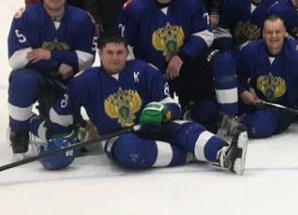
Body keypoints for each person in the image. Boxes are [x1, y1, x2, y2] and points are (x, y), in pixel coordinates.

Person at [49, 34, 247, 174]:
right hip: (117, 137)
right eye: (110, 52)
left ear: (126, 53)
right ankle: (191, 154)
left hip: (153, 126)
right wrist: (61, 137)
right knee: (130, 151)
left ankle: (225, 154)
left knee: (188, 129)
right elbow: (59, 115)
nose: (115, 58)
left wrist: (162, 111)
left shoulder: (145, 70)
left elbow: (172, 105)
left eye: (120, 52)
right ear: (100, 54)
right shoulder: (83, 81)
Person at [118, 0, 239, 132]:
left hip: (185, 68)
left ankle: (229, 119)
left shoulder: (192, 2)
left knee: (224, 61)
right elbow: (124, 49)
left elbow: (205, 34)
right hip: (151, 74)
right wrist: (145, 73)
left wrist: (181, 56)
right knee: (160, 121)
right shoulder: (134, 8)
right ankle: (186, 113)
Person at [6, 0, 97, 155]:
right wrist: (56, 64)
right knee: (22, 80)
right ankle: (19, 131)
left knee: (65, 135)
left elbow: (87, 58)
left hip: (67, 81)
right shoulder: (25, 17)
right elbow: (17, 58)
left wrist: (49, 54)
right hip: (36, 77)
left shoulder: (82, 19)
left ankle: (32, 123)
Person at [234, 14, 298, 138]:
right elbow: (233, 75)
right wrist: (242, 91)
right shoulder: (249, 51)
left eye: (277, 32)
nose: (274, 36)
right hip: (256, 103)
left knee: (262, 126)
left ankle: (238, 125)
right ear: (263, 34)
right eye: (269, 32)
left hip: (284, 107)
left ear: (284, 32)